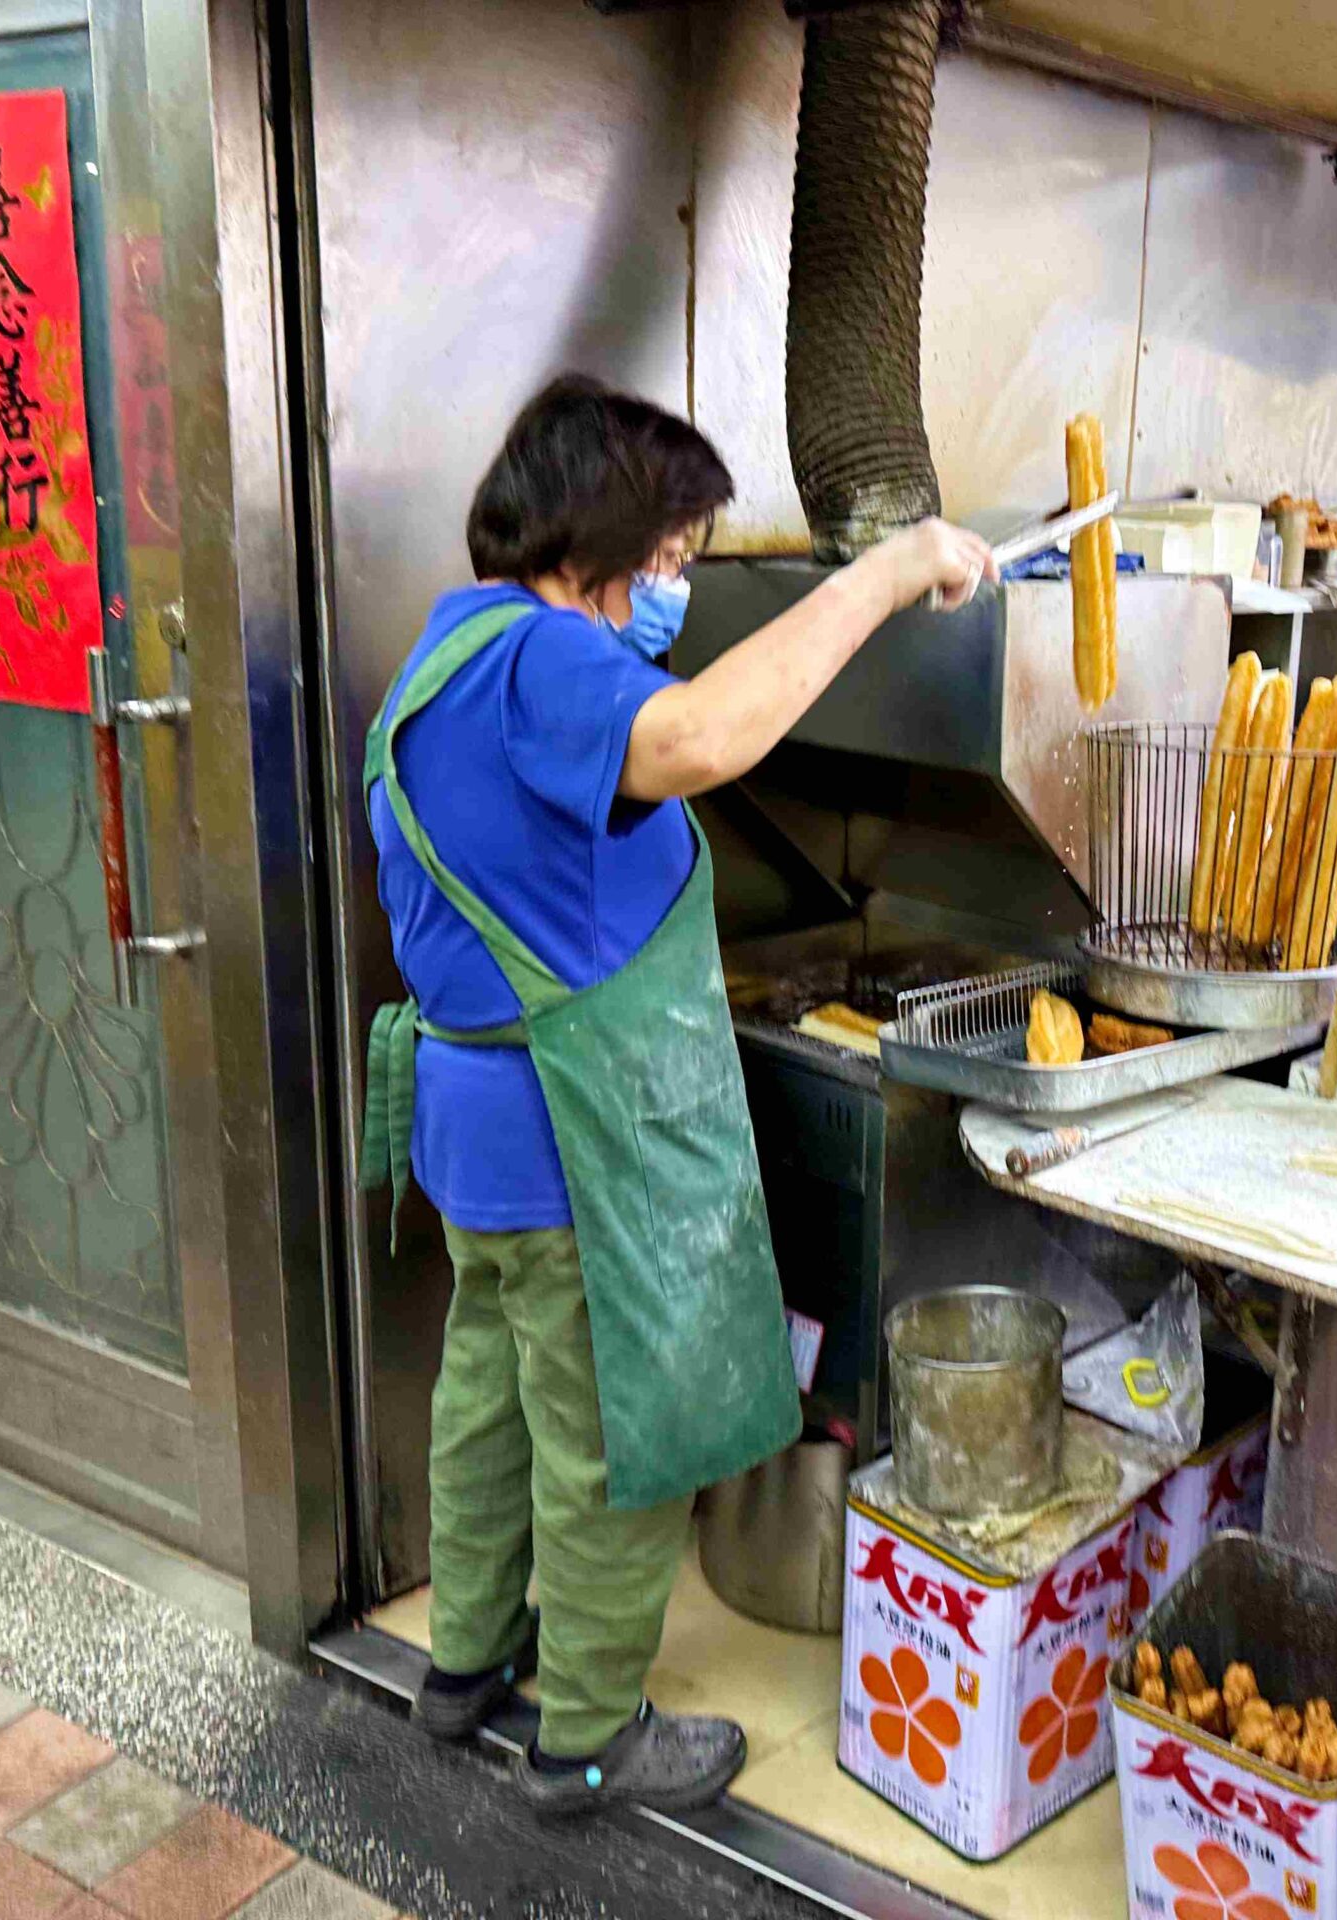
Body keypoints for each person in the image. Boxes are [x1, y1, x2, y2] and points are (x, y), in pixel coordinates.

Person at [359, 375, 994, 1818]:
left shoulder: (441, 659)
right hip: (574, 1147)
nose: (675, 591)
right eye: (673, 561)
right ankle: (583, 1738)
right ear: (609, 540)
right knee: (610, 1449)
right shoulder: (546, 661)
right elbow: (702, 739)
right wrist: (894, 572)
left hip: (474, 1142)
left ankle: (463, 1668)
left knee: (489, 1406)